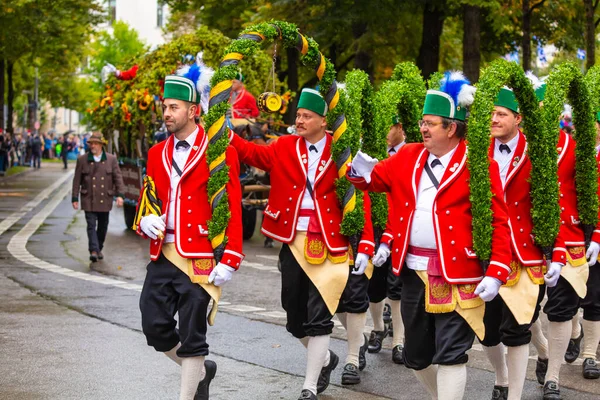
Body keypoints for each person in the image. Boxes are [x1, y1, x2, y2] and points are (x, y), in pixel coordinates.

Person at [348, 72, 512, 400]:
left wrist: (496, 272)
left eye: (431, 123)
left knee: (452, 352)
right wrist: (359, 169)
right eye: (422, 122)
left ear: (451, 128)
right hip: (412, 271)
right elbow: (373, 181)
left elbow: (498, 221)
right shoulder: (408, 155)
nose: (422, 128)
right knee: (416, 356)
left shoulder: (478, 164)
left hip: (458, 272)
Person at [229, 88, 373, 400]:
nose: (300, 120)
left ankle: (309, 386)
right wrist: (228, 136)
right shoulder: (285, 145)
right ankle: (325, 359)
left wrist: (367, 243)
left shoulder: (342, 150)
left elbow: (361, 199)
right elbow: (255, 155)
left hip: (330, 244)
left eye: (307, 116)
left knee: (318, 318)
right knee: (294, 319)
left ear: (325, 121)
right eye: (298, 116)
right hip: (291, 240)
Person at [136, 74, 243, 400]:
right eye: (164, 107)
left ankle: (187, 393)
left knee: (194, 332)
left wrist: (231, 257)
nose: (166, 113)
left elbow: (232, 204)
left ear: (193, 110)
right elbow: (149, 196)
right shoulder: (156, 153)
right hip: (163, 254)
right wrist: (145, 220)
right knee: (154, 326)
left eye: (173, 107)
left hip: (200, 256)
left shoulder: (219, 151)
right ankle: (200, 372)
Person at [479, 88, 548, 400]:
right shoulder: (476, 151)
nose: (494, 119)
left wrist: (556, 253)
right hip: (486, 251)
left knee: (518, 327)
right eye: (491, 113)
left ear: (518, 119)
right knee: (486, 330)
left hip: (525, 253)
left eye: (501, 114)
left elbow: (551, 205)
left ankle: (515, 395)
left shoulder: (539, 152)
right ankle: (501, 376)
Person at [367, 115, 406, 364]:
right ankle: (379, 327)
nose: (384, 133)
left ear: (400, 128)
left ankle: (399, 341)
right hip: (376, 223)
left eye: (388, 127)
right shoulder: (373, 151)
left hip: (401, 225)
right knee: (374, 285)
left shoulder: (411, 153)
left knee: (397, 285)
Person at [72, 132, 125, 262]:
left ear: (101, 145)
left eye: (96, 143)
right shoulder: (82, 160)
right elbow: (76, 180)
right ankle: (94, 250)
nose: (93, 146)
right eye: (91, 143)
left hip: (104, 199)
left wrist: (120, 195)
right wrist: (74, 198)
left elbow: (117, 178)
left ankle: (98, 247)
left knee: (103, 226)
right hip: (88, 198)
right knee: (91, 225)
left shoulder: (111, 159)